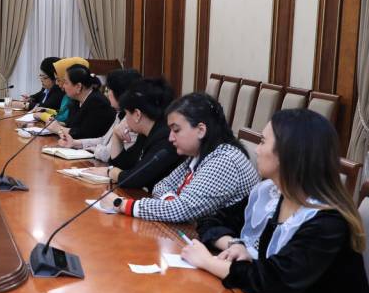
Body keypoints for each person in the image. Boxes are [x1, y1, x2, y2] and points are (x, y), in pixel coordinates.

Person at [181, 108, 369, 293]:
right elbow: (212, 221)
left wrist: (208, 262)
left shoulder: (327, 221)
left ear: (289, 154)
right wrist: (235, 243)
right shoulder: (273, 194)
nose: (257, 150)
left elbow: (275, 279)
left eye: (262, 142)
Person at [104, 93, 259, 221]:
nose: (170, 138)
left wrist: (122, 204)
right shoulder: (199, 154)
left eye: (176, 130)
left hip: (224, 246)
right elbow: (162, 186)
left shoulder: (225, 160)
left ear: (201, 130)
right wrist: (172, 203)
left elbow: (181, 210)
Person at [79, 77, 180, 188]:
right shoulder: (145, 133)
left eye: (126, 113)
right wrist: (116, 136)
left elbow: (135, 179)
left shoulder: (165, 138)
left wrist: (109, 172)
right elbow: (124, 165)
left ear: (137, 114)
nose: (125, 119)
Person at [58, 68, 141, 161]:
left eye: (109, 90)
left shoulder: (132, 120)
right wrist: (75, 143)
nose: (107, 94)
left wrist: (92, 149)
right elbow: (104, 140)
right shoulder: (121, 114)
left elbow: (108, 155)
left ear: (120, 93)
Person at [55, 64, 114, 140]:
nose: (63, 86)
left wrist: (58, 129)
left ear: (78, 86)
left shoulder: (98, 102)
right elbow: (72, 125)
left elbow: (86, 134)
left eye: (66, 82)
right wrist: (58, 124)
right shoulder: (76, 100)